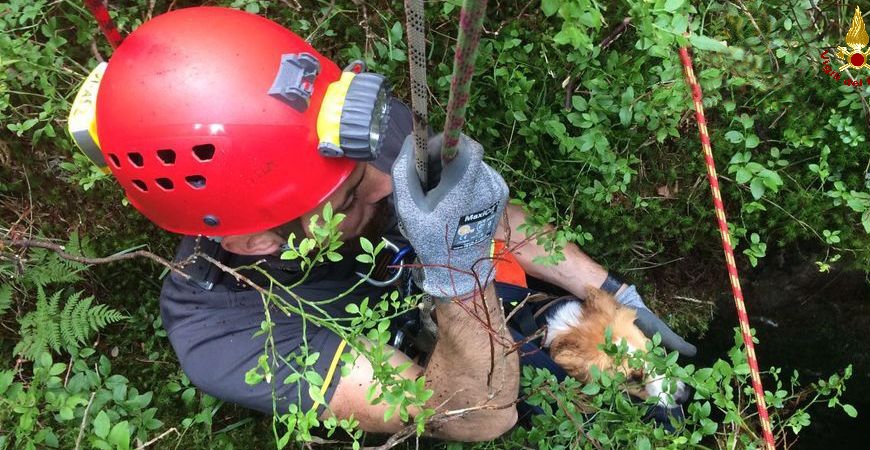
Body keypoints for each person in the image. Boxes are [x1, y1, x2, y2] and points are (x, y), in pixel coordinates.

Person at [75, 6, 695, 442]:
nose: (382, 182)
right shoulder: (226, 330)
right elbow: (476, 416)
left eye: (364, 164)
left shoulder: (358, 136)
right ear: (254, 241)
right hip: (441, 376)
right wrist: (457, 272)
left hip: (458, 292)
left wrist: (610, 292)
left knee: (603, 365)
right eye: (347, 198)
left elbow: (496, 219)